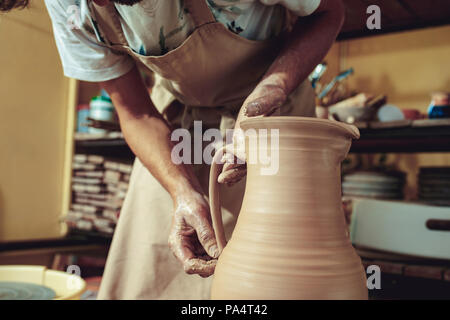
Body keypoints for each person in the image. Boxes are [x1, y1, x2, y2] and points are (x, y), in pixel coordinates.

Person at [1, 0, 345, 299]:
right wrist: (182, 191)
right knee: (151, 274)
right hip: (176, 123)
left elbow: (330, 12)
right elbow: (134, 111)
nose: (101, 4)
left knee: (280, 277)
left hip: (271, 111)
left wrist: (273, 88)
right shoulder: (67, 4)